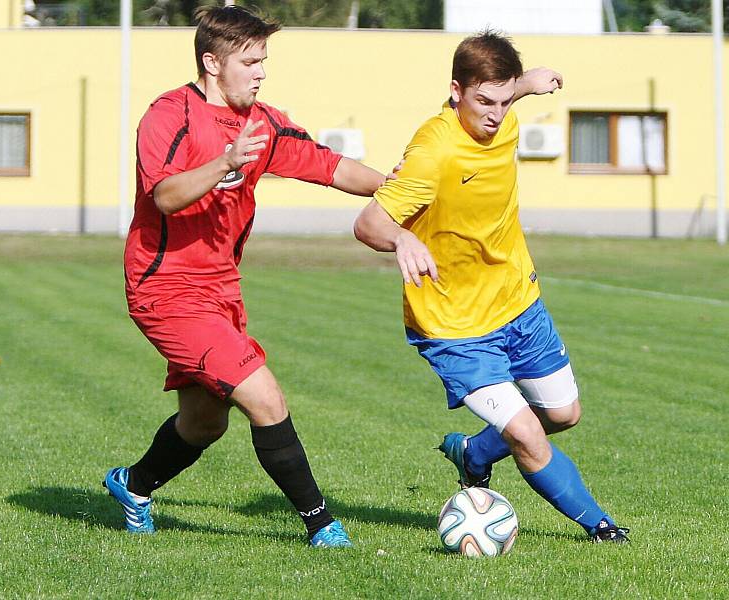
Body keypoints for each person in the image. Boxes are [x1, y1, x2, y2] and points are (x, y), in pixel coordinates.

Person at [103, 5, 386, 547]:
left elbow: (332, 166)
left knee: (205, 422)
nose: (261, 72)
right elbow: (163, 195)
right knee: (265, 398)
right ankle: (323, 524)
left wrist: (397, 187)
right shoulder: (170, 114)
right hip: (165, 289)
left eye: (263, 61)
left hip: (222, 290)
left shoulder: (264, 121)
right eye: (250, 61)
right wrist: (225, 163)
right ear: (212, 62)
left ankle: (133, 486)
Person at [353, 31, 629, 544]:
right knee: (525, 432)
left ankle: (474, 452)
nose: (496, 114)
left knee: (562, 414)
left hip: (517, 302)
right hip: (454, 325)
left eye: (504, 101)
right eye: (484, 101)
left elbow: (500, 94)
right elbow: (368, 223)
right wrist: (402, 239)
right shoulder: (432, 152)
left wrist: (525, 84)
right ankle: (601, 526)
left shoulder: (504, 115)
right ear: (455, 91)